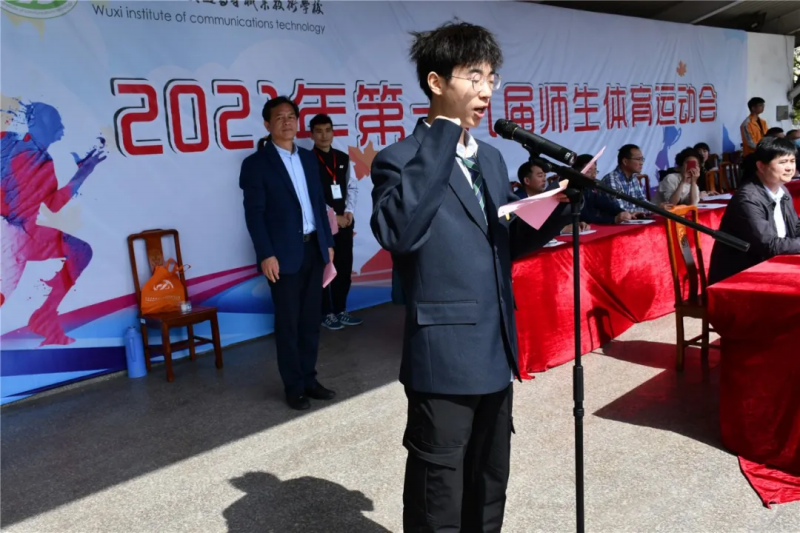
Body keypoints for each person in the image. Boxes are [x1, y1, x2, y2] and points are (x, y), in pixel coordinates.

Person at [370, 21, 572, 532]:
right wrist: (444, 131)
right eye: (474, 77)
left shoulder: (493, 158)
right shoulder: (398, 160)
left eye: (491, 78)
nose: (486, 91)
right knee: (438, 494)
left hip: (495, 349)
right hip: (442, 357)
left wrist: (559, 208)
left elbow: (503, 241)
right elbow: (400, 233)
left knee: (489, 483)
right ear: (436, 82)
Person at [239, 96, 336, 411]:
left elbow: (319, 204)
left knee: (310, 321)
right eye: (279, 117)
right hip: (282, 257)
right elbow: (254, 214)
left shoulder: (308, 158)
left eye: (291, 116)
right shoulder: (256, 164)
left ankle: (310, 379)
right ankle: (293, 387)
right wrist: (266, 254)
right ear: (267, 124)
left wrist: (328, 243)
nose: (286, 122)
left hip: (314, 250)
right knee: (288, 324)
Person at [0, 102, 106, 346]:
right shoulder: (14, 145)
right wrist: (83, 173)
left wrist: (81, 173)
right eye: (55, 122)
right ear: (36, 122)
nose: (61, 129)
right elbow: (46, 206)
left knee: (80, 251)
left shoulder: (39, 159)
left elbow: (48, 205)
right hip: (13, 235)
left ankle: (45, 316)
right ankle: (44, 317)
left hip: (21, 234)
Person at [708, 136, 800, 285]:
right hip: (740, 276)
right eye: (782, 162)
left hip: (770, 265)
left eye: (792, 161)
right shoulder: (748, 198)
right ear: (761, 166)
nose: (789, 167)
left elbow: (795, 227)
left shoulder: (782, 190)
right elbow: (768, 245)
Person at [310, 113, 364, 331]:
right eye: (319, 131)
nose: (324, 135)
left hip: (345, 224)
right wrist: (334, 216)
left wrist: (349, 212)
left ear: (333, 132)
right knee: (325, 269)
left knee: (344, 267)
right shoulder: (307, 160)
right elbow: (312, 195)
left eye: (328, 130)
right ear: (312, 135)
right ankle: (326, 313)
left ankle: (341, 309)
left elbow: (352, 186)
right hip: (322, 225)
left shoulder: (342, 158)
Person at [571, 154, 633, 224]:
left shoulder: (588, 189)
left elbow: (604, 203)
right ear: (577, 171)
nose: (594, 175)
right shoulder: (572, 189)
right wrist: (614, 219)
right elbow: (585, 216)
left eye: (595, 170)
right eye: (589, 170)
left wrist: (622, 212)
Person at [599, 144, 651, 213]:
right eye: (638, 159)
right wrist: (650, 210)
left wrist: (657, 208)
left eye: (642, 159)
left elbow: (642, 201)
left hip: (633, 218)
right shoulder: (612, 179)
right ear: (625, 162)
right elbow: (620, 209)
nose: (641, 163)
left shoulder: (634, 178)